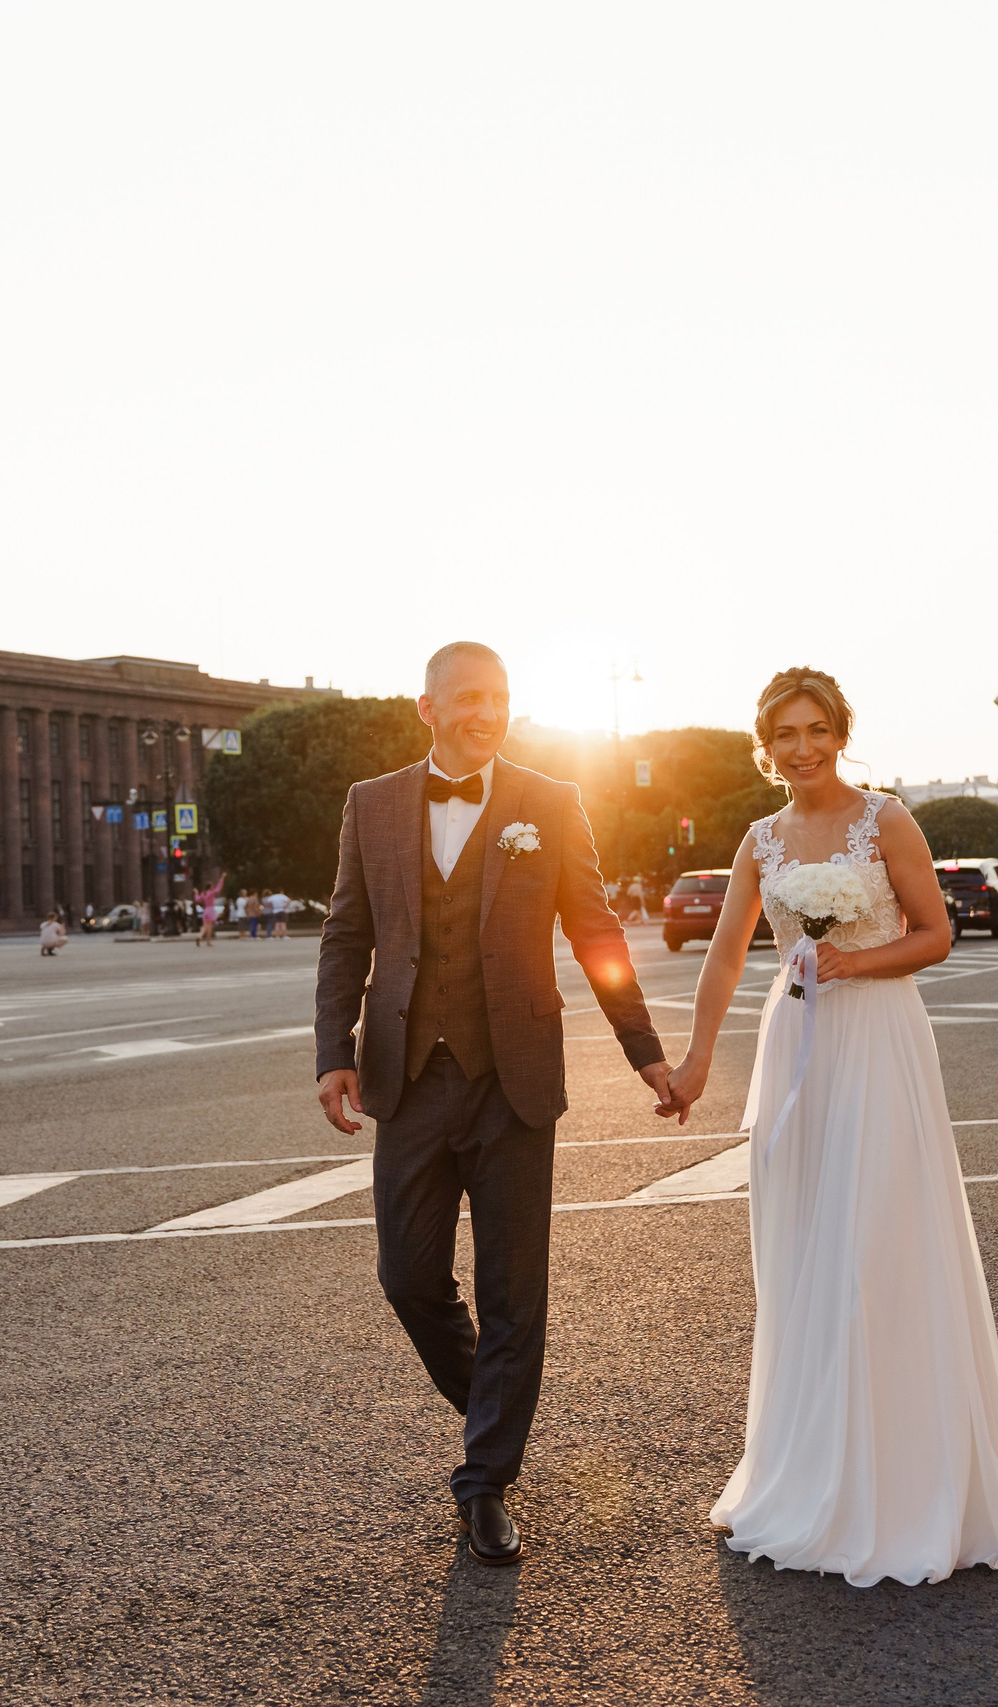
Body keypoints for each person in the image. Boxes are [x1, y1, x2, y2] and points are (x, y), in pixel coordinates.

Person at [662, 666, 998, 1587]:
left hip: (876, 1038)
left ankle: (909, 1484)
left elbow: (935, 933)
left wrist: (852, 960)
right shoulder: (759, 838)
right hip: (798, 1041)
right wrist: (697, 1060)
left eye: (816, 729)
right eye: (785, 734)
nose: (802, 748)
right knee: (806, 1251)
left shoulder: (887, 818)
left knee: (880, 1240)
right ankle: (814, 1471)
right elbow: (722, 959)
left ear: (840, 731)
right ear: (766, 744)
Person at [314, 640, 674, 1568]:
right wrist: (332, 1056)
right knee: (408, 1277)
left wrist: (645, 1052)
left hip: (513, 1082)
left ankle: (484, 1483)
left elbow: (595, 929)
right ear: (426, 707)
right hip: (405, 1080)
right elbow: (347, 934)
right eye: (468, 697)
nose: (486, 711)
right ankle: (494, 1400)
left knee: (517, 1291)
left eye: (501, 697)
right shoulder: (373, 802)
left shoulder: (549, 803)